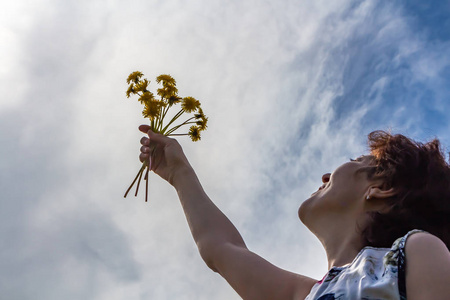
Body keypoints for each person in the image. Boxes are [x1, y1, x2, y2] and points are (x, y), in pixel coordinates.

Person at [138, 125, 450, 300]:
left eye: (356, 161)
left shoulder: (413, 252)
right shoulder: (306, 294)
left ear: (380, 188)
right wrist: (180, 174)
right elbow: (221, 249)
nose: (327, 174)